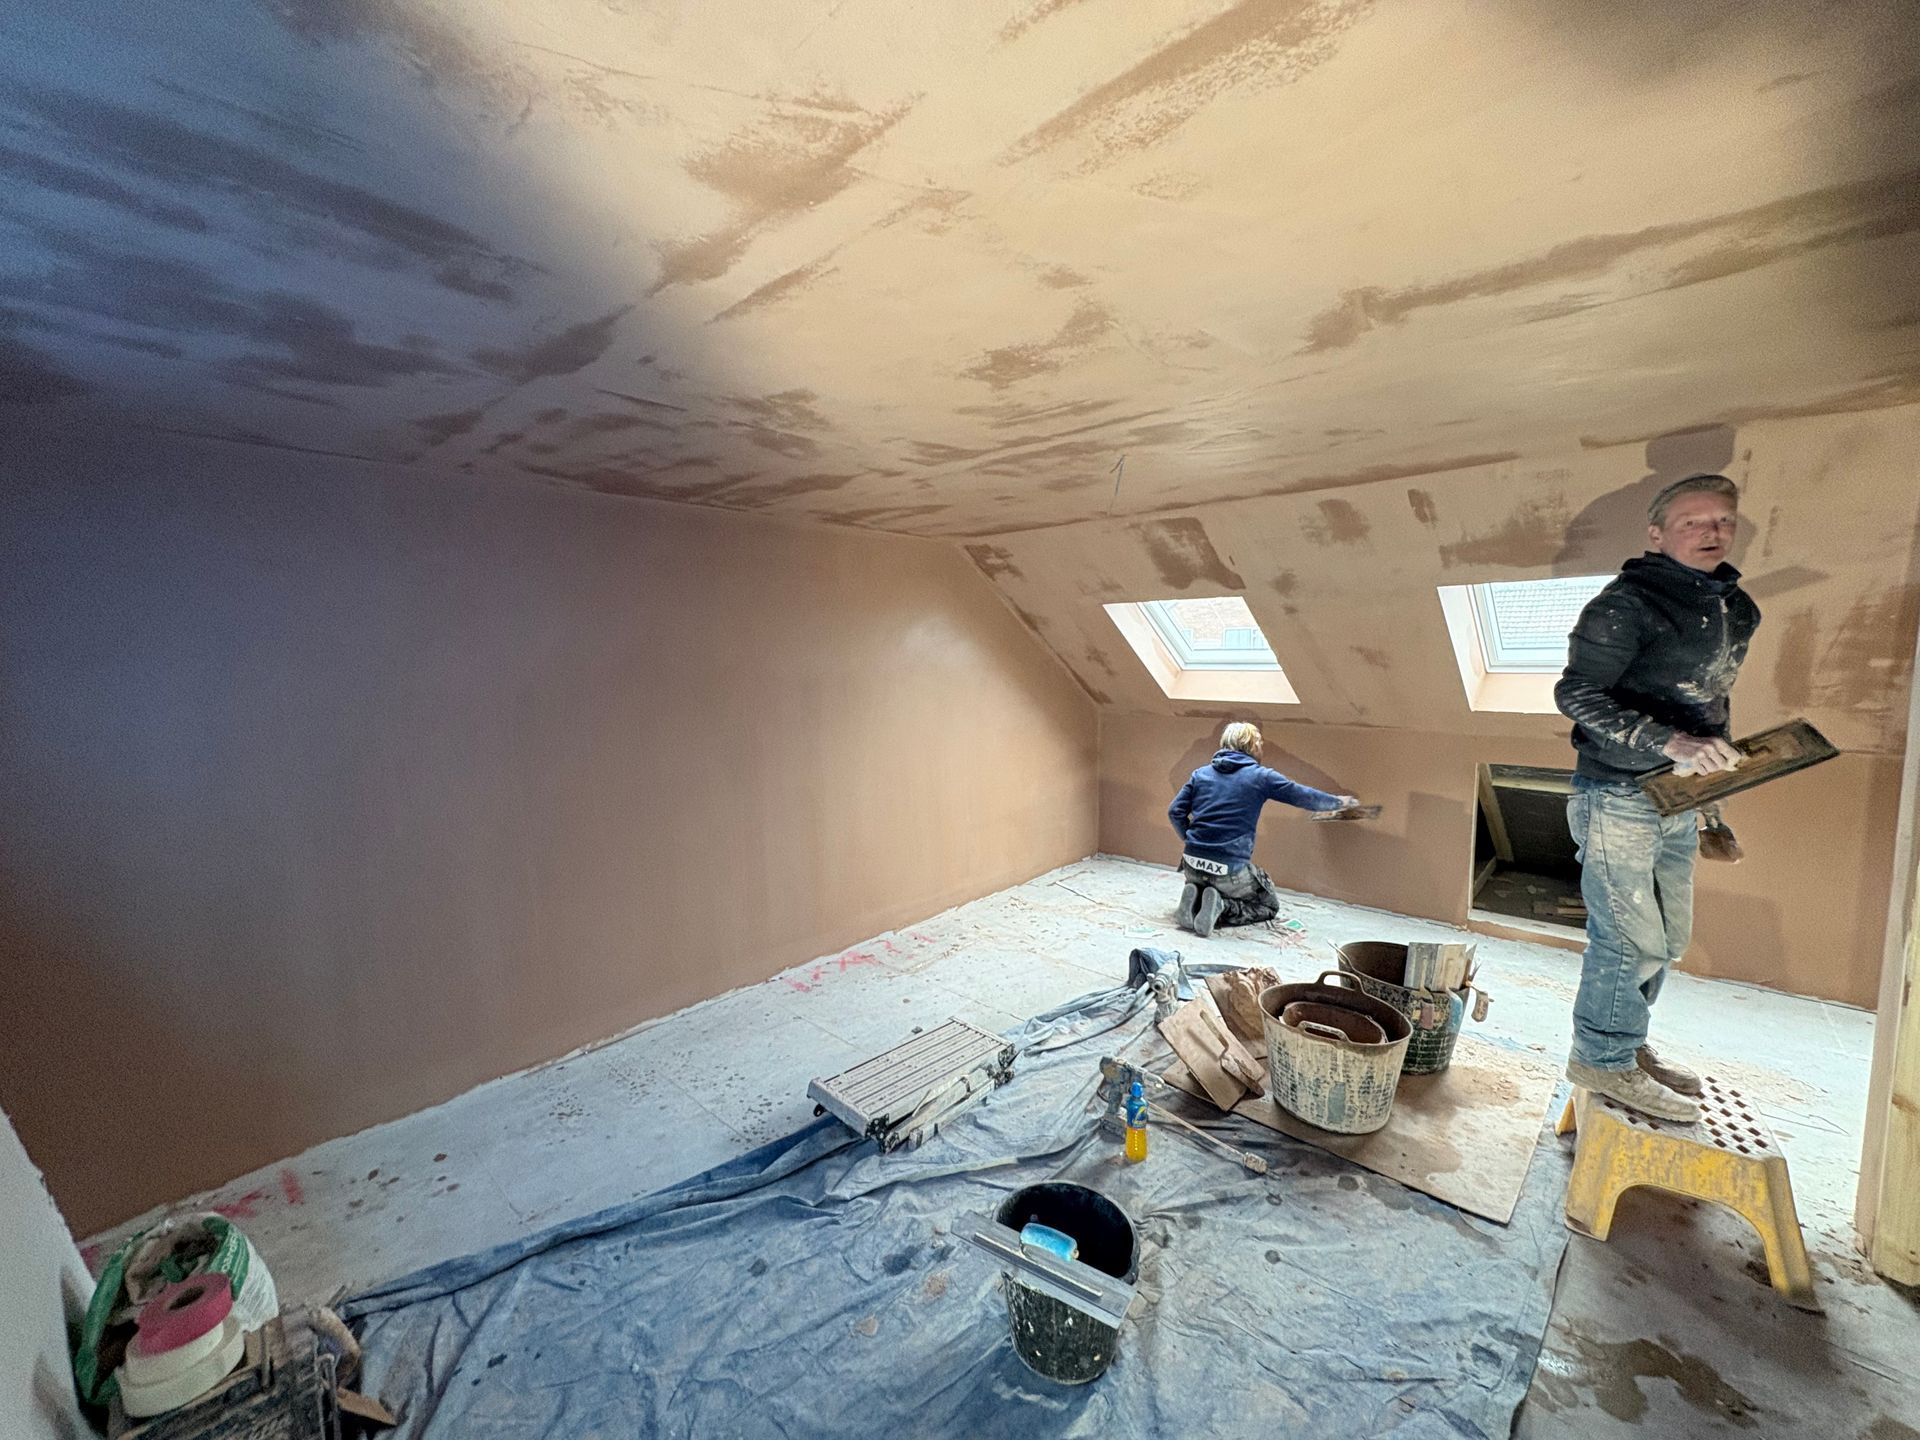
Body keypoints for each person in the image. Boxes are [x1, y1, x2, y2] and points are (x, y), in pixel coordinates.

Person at [1554, 473, 1758, 1122]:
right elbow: (1574, 694)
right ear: (1657, 534)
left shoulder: (1737, 609)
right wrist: (1670, 742)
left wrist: (1709, 788)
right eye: (1692, 521)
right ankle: (1601, 1057)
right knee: (1627, 937)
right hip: (1617, 792)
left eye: (1722, 521)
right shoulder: (1626, 605)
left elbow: (1709, 705)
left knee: (1666, 936)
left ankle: (1627, 1043)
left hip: (1678, 794)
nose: (1711, 531)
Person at [1168, 722, 1357, 936]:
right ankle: (1222, 907)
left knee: (1207, 884)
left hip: (1191, 865)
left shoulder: (1200, 774)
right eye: (1260, 744)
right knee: (1267, 905)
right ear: (1252, 745)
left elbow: (1175, 811)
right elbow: (1301, 795)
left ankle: (1193, 903)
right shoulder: (1260, 777)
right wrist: (1339, 802)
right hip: (1228, 871)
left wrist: (1190, 839)